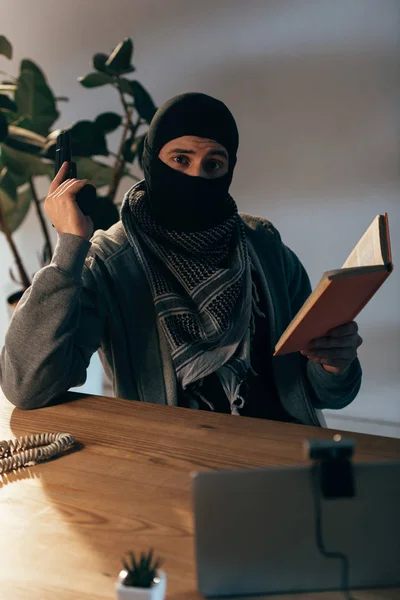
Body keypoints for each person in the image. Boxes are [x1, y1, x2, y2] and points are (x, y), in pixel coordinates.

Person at [0, 93, 362, 426]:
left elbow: (325, 394)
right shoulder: (112, 262)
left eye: (213, 164)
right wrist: (69, 247)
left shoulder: (265, 248)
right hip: (171, 458)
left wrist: (334, 365)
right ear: (151, 159)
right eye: (180, 159)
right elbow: (27, 388)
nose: (196, 176)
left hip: (283, 453)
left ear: (229, 170)